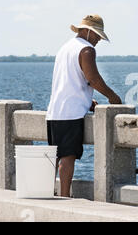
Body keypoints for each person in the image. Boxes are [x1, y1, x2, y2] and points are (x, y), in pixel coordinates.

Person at [46, 14, 122, 197]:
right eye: (97, 35)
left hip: (54, 111)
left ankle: (48, 193)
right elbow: (93, 79)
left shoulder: (65, 48)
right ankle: (64, 196)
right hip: (71, 114)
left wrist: (87, 101)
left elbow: (70, 82)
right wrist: (113, 97)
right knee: (67, 157)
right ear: (87, 32)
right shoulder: (87, 50)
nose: (97, 40)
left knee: (54, 158)